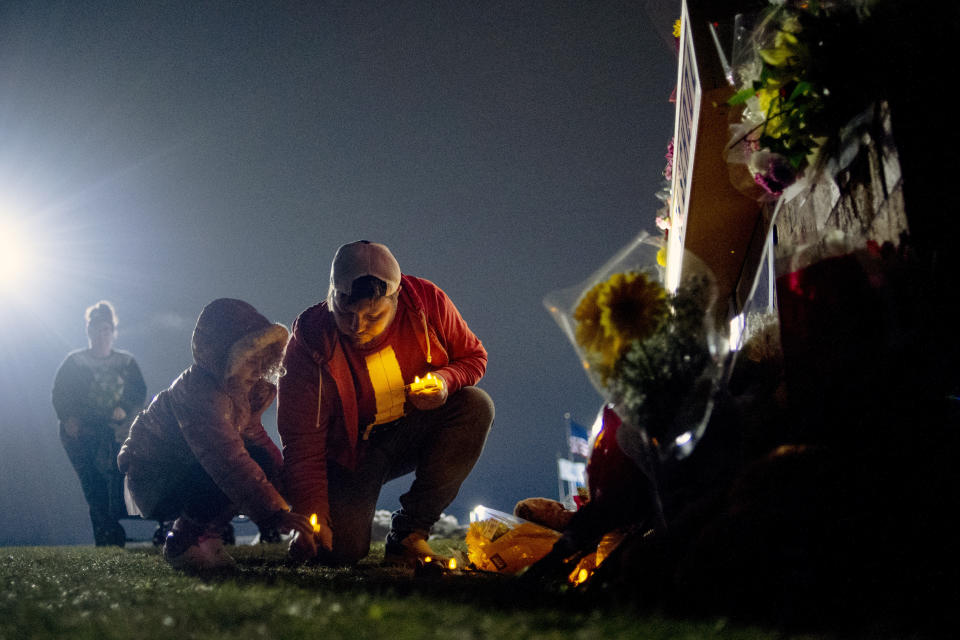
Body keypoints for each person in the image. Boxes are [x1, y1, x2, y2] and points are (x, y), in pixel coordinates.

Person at [279, 241, 494, 566]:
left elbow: (473, 357)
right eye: (346, 314)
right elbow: (301, 443)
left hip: (411, 430)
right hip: (350, 455)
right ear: (332, 294)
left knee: (475, 406)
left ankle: (410, 534)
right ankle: (324, 539)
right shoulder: (309, 343)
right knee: (338, 552)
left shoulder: (426, 301)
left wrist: (444, 381)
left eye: (373, 315)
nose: (358, 327)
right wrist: (312, 515)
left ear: (396, 296)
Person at [118, 298, 316, 570]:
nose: (258, 370)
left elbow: (258, 445)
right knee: (225, 471)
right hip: (156, 477)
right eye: (249, 360)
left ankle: (206, 536)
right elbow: (225, 459)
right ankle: (181, 542)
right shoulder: (199, 393)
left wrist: (297, 501)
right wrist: (275, 512)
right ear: (223, 356)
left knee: (259, 460)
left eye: (262, 361)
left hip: (188, 467)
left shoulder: (239, 392)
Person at [52, 300, 147, 547]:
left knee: (114, 481)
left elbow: (139, 392)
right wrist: (69, 418)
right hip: (84, 432)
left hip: (116, 432)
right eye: (96, 329)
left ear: (113, 332)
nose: (101, 335)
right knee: (92, 482)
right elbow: (60, 394)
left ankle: (110, 533)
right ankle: (106, 535)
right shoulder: (74, 363)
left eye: (106, 329)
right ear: (89, 331)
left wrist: (123, 408)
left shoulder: (126, 363)